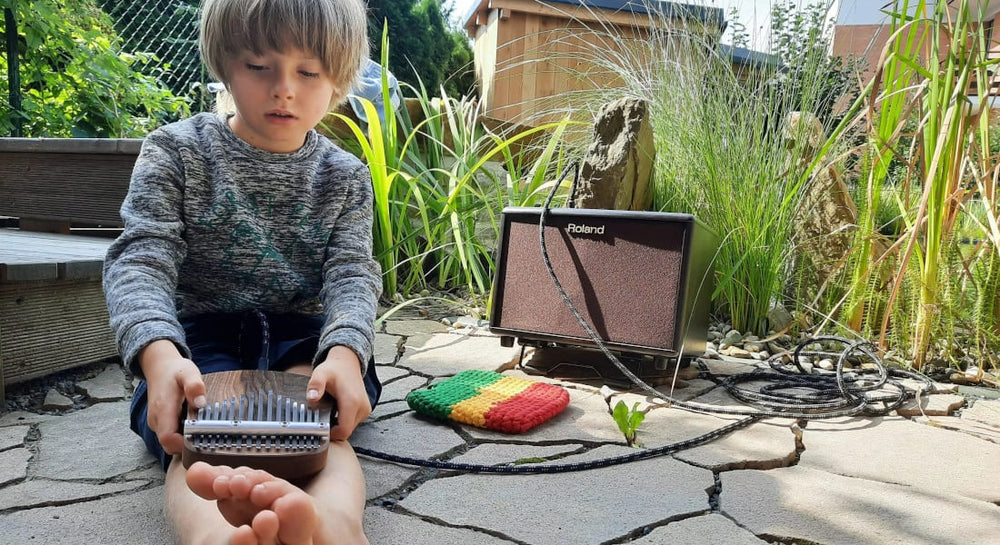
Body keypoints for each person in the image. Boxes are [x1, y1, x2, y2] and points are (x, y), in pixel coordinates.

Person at [102, 0, 381, 543]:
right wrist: (160, 358)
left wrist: (346, 353)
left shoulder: (347, 176)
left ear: (340, 78)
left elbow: (351, 273)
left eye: (309, 72)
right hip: (198, 341)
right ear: (225, 62)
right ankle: (212, 536)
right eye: (259, 66)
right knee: (194, 437)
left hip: (303, 339)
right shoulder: (175, 151)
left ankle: (337, 527)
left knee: (320, 426)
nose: (283, 88)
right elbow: (140, 258)